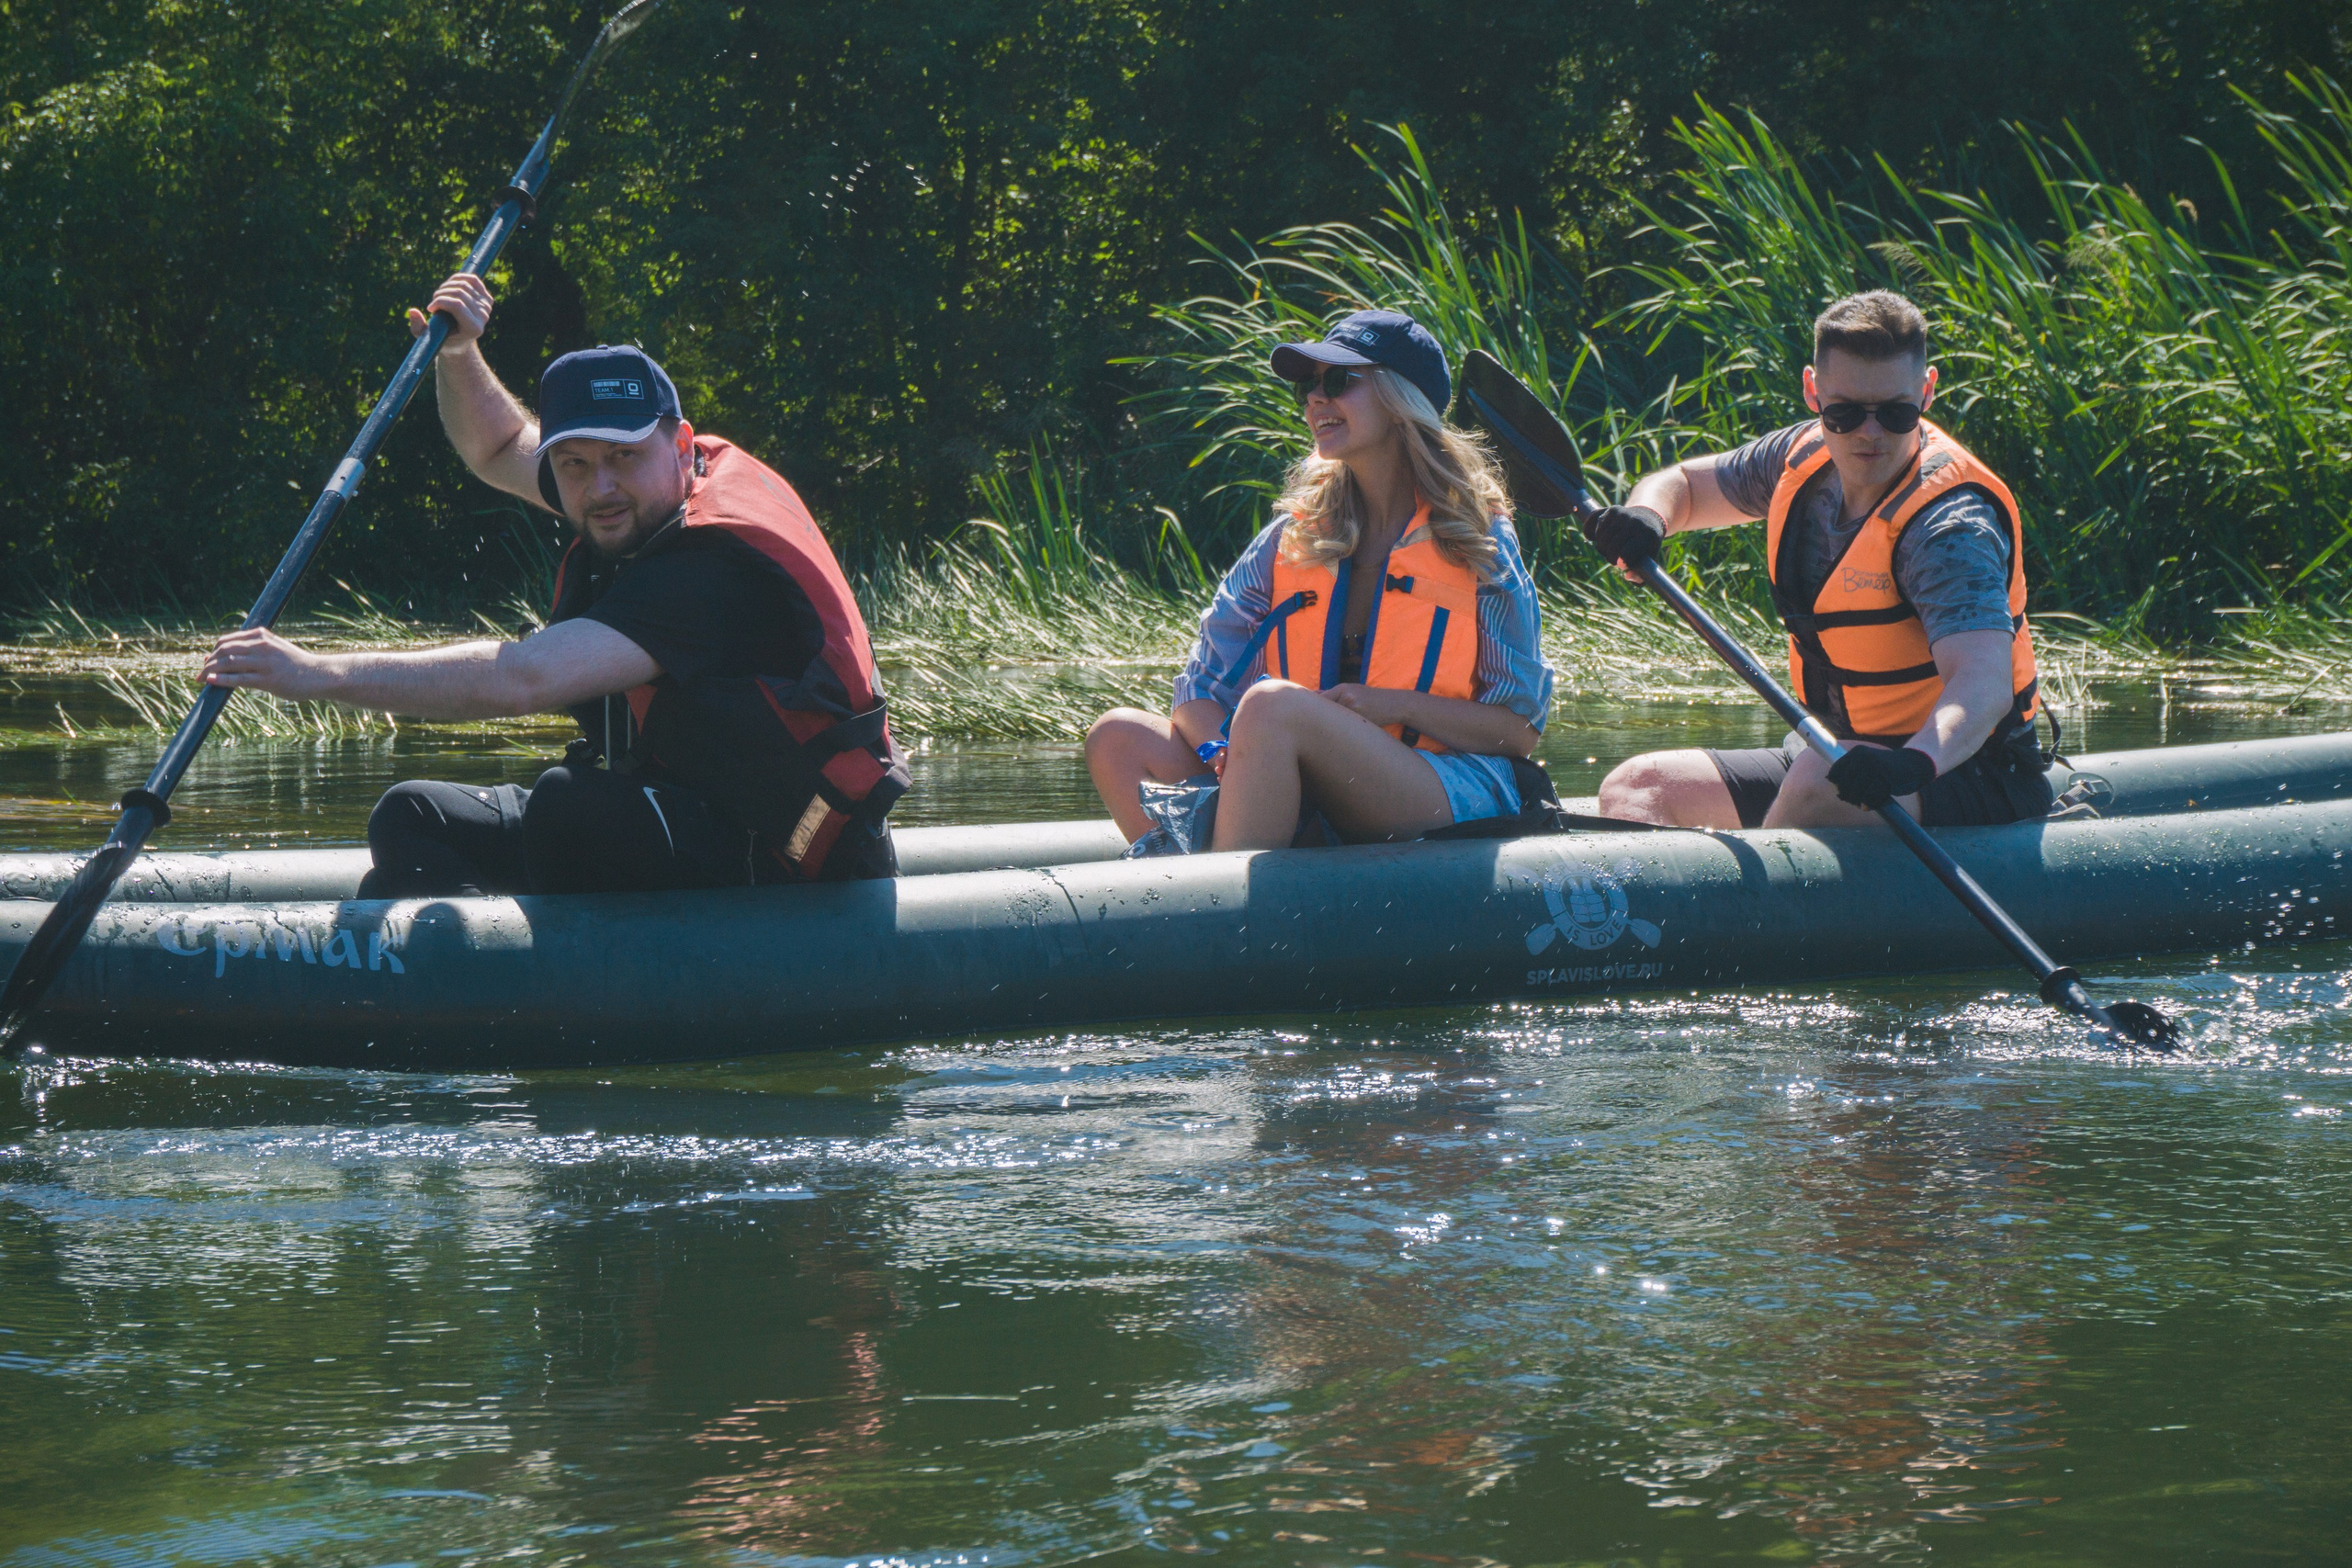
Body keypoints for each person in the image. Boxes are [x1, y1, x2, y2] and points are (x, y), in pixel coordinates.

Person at [201, 272, 908, 896]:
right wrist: (459, 352)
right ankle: (463, 993)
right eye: (573, 463)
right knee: (409, 817)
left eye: (622, 458)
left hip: (789, 851)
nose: (600, 487)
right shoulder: (628, 496)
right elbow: (498, 447)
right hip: (678, 806)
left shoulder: (708, 571)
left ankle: (533, 985)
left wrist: (318, 673)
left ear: (681, 446)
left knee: (570, 809)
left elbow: (525, 677)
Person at [1085, 310, 1556, 850]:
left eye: (1337, 381)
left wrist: (1391, 706)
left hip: (1444, 786)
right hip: (1305, 782)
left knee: (1270, 707)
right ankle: (1214, 882)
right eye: (1307, 387)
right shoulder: (1290, 537)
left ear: (1400, 400)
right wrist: (1226, 757)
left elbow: (1516, 730)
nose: (1314, 399)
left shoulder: (1480, 538)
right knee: (1118, 736)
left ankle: (1217, 914)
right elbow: (1199, 692)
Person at [1591, 290, 2052, 830]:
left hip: (1962, 772)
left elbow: (1982, 684)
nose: (1870, 432)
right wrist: (1648, 516)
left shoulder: (1949, 529)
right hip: (1837, 755)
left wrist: (1914, 761)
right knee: (1639, 786)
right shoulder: (1799, 456)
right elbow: (1685, 485)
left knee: (1815, 782)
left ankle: (1756, 913)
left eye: (1896, 413)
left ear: (1927, 393)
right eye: (1846, 412)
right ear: (1814, 391)